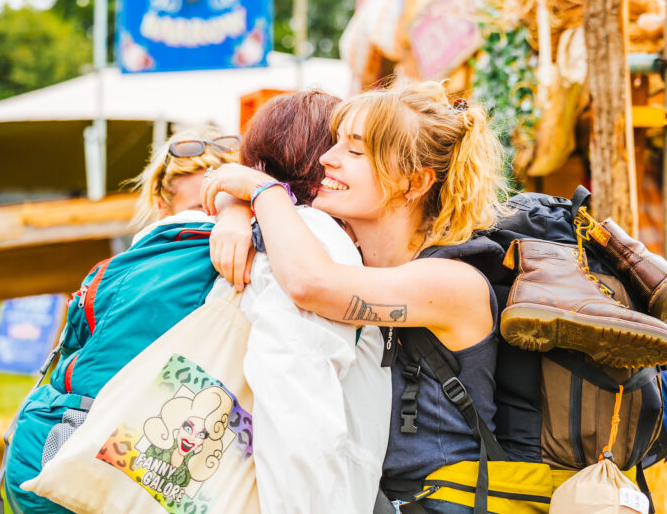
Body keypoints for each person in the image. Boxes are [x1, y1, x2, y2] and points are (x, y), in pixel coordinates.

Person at [202, 81, 503, 514]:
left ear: (414, 182)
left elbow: (310, 285)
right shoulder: (355, 258)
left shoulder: (452, 284)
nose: (327, 158)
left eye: (355, 151)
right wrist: (234, 212)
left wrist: (262, 191)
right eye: (335, 141)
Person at [135, 91, 391, 514]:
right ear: (320, 160)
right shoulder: (313, 240)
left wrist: (238, 204)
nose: (340, 159)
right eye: (344, 147)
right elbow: (295, 404)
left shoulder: (249, 230)